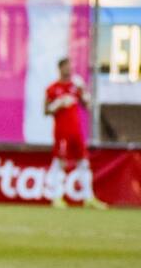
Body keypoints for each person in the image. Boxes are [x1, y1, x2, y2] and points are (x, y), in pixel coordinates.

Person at [45, 57, 106, 209]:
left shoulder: (76, 86)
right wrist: (57, 104)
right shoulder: (53, 88)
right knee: (60, 163)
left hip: (76, 132)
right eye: (66, 66)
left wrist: (83, 90)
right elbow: (46, 110)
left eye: (70, 66)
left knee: (83, 163)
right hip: (61, 132)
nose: (69, 69)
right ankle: (57, 197)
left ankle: (88, 197)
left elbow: (87, 105)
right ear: (60, 68)